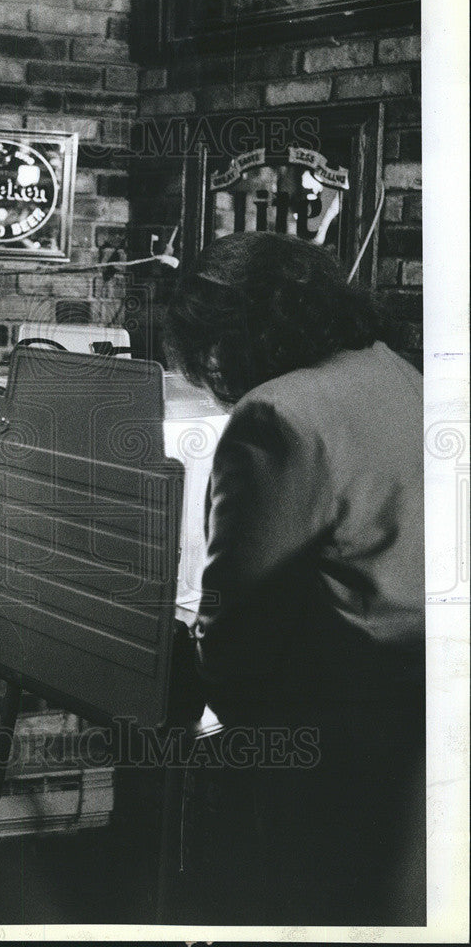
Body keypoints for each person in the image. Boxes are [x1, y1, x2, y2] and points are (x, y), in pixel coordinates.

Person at [163, 232, 425, 925]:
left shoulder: (276, 414)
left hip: (327, 746)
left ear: (231, 334)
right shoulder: (396, 371)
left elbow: (236, 634)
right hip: (416, 732)